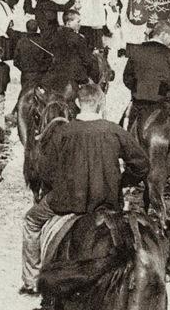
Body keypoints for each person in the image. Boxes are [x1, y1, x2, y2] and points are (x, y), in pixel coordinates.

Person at [19, 84, 149, 295]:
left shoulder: (63, 132)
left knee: (31, 222)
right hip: (107, 202)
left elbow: (45, 170)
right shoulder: (114, 130)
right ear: (100, 103)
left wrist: (61, 183)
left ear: (78, 104)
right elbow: (142, 164)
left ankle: (32, 280)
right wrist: (122, 181)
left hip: (66, 201)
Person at [122, 19, 170, 130]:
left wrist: (138, 88)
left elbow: (127, 77)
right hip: (161, 103)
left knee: (126, 132)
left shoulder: (136, 50)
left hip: (138, 104)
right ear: (163, 34)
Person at [40, 10, 101, 96]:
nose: (79, 24)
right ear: (68, 23)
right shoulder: (79, 39)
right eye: (78, 21)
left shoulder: (54, 36)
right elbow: (87, 61)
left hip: (55, 75)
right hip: (75, 76)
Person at [13, 19, 53, 89]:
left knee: (26, 96)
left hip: (26, 74)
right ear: (37, 28)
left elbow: (16, 61)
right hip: (40, 74)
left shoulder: (21, 42)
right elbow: (49, 59)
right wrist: (43, 68)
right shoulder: (43, 41)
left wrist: (24, 69)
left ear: (26, 28)